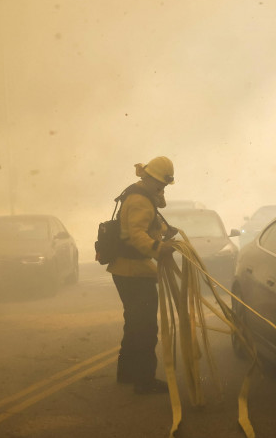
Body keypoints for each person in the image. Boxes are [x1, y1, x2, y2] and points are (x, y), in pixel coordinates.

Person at [107, 156, 177, 394]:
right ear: (149, 179)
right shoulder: (139, 200)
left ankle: (126, 373)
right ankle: (144, 381)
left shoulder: (142, 195)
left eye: (164, 185)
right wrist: (159, 249)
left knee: (134, 324)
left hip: (126, 271)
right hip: (134, 272)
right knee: (145, 328)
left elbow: (149, 223)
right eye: (160, 184)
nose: (162, 189)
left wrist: (165, 231)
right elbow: (136, 234)